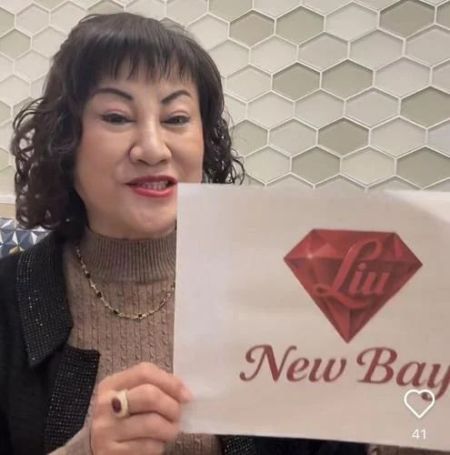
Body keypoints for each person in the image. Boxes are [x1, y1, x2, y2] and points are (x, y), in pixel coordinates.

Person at [0, 12, 368, 455]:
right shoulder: (10, 300)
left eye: (175, 118)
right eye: (117, 117)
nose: (153, 149)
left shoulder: (271, 288)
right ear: (66, 142)